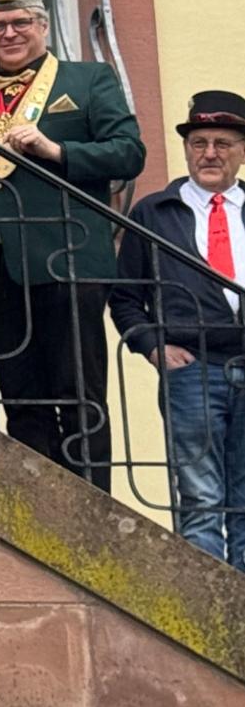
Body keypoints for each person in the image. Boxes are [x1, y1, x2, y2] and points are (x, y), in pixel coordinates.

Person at [0, 0, 144, 488]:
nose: (9, 34)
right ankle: (41, 509)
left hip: (69, 259)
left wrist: (59, 152)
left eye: (19, 23)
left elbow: (130, 153)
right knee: (20, 395)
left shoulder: (86, 81)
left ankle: (93, 510)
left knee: (79, 391)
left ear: (42, 25)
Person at [111, 91, 245, 566]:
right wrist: (152, 347)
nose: (210, 153)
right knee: (200, 501)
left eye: (223, 143)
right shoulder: (154, 212)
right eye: (200, 142)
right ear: (187, 148)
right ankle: (208, 617)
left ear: (241, 150)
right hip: (193, 370)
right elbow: (125, 295)